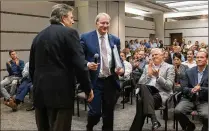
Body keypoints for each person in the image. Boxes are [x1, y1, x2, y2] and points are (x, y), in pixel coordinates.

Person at [29, 4, 94, 131]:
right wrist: (87, 89)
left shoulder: (38, 36)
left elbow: (32, 67)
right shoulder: (70, 33)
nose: (73, 21)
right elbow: (80, 65)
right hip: (62, 94)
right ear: (63, 18)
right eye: (71, 17)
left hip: (40, 93)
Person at [80, 12, 124, 131]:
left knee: (109, 114)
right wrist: (88, 64)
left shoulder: (115, 39)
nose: (105, 25)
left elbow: (118, 58)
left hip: (110, 81)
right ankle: (90, 126)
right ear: (96, 23)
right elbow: (78, 57)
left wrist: (121, 68)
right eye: (102, 23)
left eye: (107, 23)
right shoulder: (85, 37)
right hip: (95, 81)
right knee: (95, 113)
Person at [130, 48, 175, 131]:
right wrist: (149, 76)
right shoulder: (147, 67)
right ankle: (154, 119)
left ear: (162, 56)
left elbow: (169, 86)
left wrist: (158, 77)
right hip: (147, 93)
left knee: (141, 102)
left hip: (161, 94)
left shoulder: (170, 67)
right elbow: (140, 83)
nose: (154, 56)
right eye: (152, 55)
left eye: (156, 54)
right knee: (143, 87)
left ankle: (150, 121)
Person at [174, 51, 208, 131]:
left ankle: (205, 127)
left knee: (206, 115)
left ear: (206, 59)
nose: (199, 59)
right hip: (189, 98)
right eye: (197, 57)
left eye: (202, 57)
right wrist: (191, 90)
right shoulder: (189, 71)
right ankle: (189, 126)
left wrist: (201, 89)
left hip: (205, 100)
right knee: (178, 111)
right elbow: (184, 88)